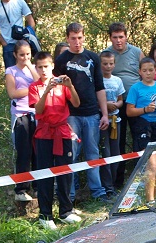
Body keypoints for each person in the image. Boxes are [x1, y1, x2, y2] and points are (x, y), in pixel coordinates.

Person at [54, 22, 109, 203]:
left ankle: (98, 192)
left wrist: (105, 114)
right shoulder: (61, 61)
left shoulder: (93, 57)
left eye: (79, 37)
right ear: (67, 39)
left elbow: (100, 87)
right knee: (72, 154)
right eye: (73, 38)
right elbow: (57, 90)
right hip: (71, 114)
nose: (77, 42)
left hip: (92, 113)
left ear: (84, 37)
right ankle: (69, 195)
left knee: (93, 153)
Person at [28, 51, 82, 229]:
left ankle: (66, 211)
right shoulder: (34, 87)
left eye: (46, 66)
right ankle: (45, 215)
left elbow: (76, 103)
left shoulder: (62, 83)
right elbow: (38, 110)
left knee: (65, 172)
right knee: (45, 174)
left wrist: (70, 86)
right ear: (36, 67)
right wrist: (47, 91)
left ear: (52, 66)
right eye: (40, 67)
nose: (44, 70)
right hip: (44, 133)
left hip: (63, 131)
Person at [105, 22, 144, 187]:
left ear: (126, 36)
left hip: (136, 103)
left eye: (121, 37)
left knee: (140, 140)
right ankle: (117, 182)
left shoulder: (136, 52)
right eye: (115, 37)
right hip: (116, 106)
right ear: (110, 38)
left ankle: (140, 179)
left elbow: (146, 73)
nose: (118, 40)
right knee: (117, 144)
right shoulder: (106, 55)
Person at [5, 39, 38, 202]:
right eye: (21, 55)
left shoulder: (34, 69)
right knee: (23, 152)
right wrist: (32, 89)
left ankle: (39, 186)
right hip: (20, 115)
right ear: (15, 55)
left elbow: (42, 84)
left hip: (36, 114)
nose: (25, 58)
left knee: (38, 152)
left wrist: (31, 66)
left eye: (28, 54)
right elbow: (12, 93)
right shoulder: (11, 71)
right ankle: (21, 189)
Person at [126, 58, 156, 151]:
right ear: (140, 72)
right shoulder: (135, 88)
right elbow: (129, 111)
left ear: (155, 71)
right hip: (143, 125)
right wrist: (145, 109)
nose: (148, 73)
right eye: (144, 70)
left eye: (151, 70)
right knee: (147, 155)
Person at [100, 50, 125, 198]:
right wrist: (105, 105)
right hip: (103, 122)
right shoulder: (98, 80)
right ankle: (106, 187)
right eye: (105, 64)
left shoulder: (117, 80)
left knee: (115, 154)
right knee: (105, 153)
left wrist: (116, 105)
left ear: (114, 64)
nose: (108, 66)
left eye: (110, 63)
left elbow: (121, 99)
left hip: (116, 121)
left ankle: (114, 185)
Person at [0, 0, 35, 68]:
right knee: (11, 72)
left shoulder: (20, 2)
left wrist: (28, 38)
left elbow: (30, 20)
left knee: (27, 70)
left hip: (22, 42)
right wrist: (4, 44)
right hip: (8, 45)